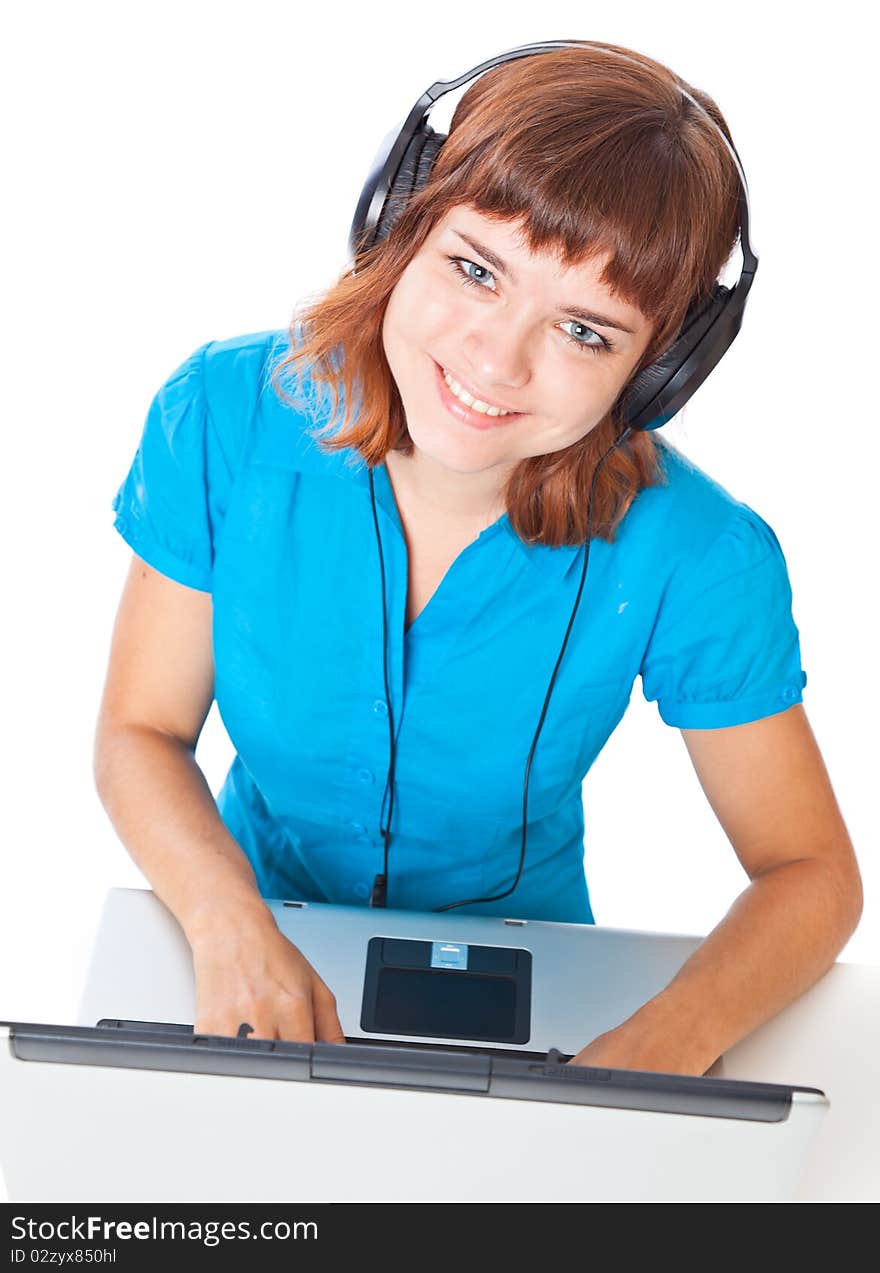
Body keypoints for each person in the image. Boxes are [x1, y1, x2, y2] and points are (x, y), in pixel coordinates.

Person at [93, 40, 862, 1075]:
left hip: (536, 979)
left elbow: (810, 870)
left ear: (657, 372)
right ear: (400, 222)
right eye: (474, 269)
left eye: (586, 332)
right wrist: (231, 925)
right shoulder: (225, 416)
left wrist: (665, 1039)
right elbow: (140, 731)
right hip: (235, 927)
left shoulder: (701, 554)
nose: (497, 361)